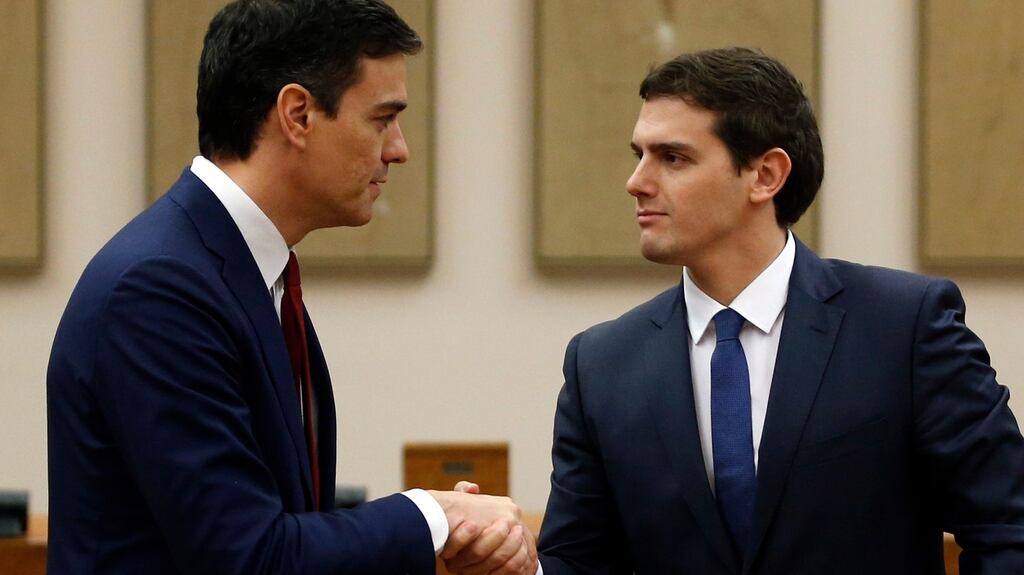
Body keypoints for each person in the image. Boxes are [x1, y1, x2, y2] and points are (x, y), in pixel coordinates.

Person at [46, 1, 536, 573]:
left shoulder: (238, 271)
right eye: (381, 119)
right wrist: (434, 516)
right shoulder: (159, 290)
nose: (398, 148)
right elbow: (251, 557)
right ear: (298, 114)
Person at [535, 47, 1024, 574]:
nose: (636, 181)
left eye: (672, 157)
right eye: (639, 154)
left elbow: (1008, 531)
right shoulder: (602, 364)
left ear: (766, 175)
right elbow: (577, 561)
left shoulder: (904, 328)